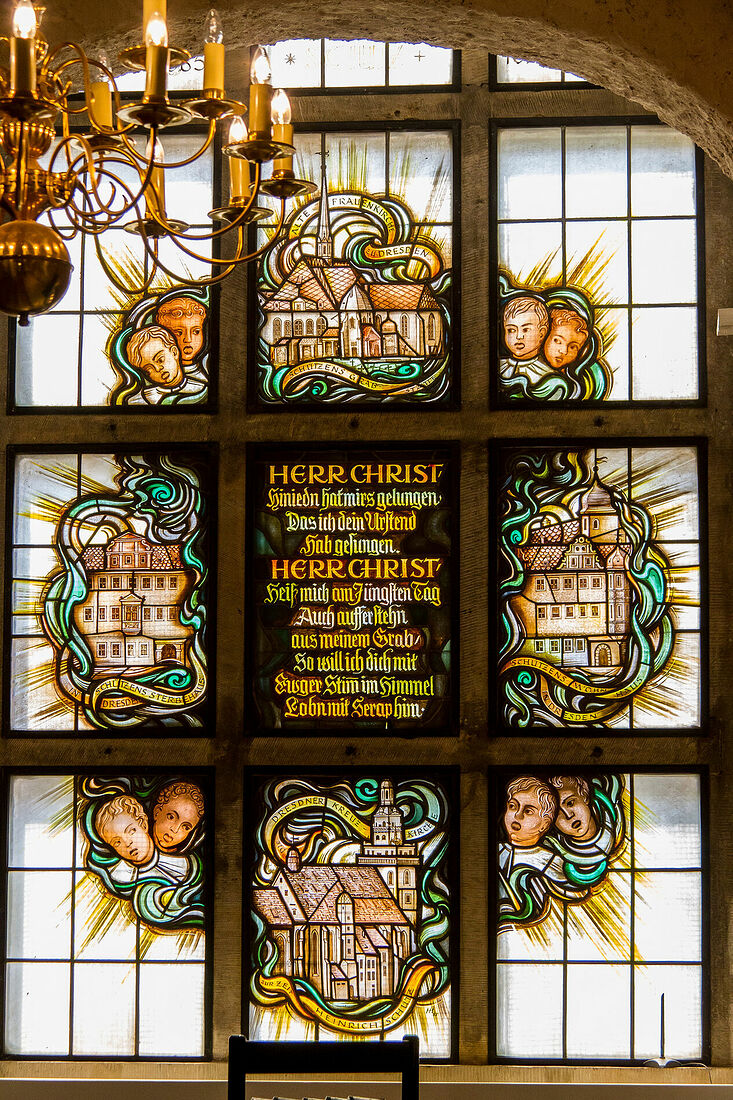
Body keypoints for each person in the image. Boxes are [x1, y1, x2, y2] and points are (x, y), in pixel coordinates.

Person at [95, 794, 190, 885]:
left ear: (144, 825)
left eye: (131, 831)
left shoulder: (180, 866)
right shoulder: (118, 878)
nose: (127, 843)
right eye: (117, 842)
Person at [125, 325, 206, 405]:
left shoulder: (200, 390)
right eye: (149, 369)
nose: (158, 369)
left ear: (174, 352)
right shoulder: (140, 400)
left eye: (160, 360)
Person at [499, 296, 550, 385]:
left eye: (525, 330)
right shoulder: (498, 367)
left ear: (542, 333)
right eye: (511, 330)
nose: (518, 336)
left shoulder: (547, 375)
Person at [156, 295, 207, 371]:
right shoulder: (160, 373)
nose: (188, 339)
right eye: (179, 333)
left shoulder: (206, 368)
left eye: (196, 332)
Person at [151, 781, 204, 853]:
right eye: (171, 817)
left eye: (186, 827)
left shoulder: (186, 859)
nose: (175, 830)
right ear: (157, 812)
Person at [549, 775, 598, 841]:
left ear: (584, 795)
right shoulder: (548, 846)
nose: (569, 815)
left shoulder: (612, 819)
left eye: (570, 803)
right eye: (557, 812)